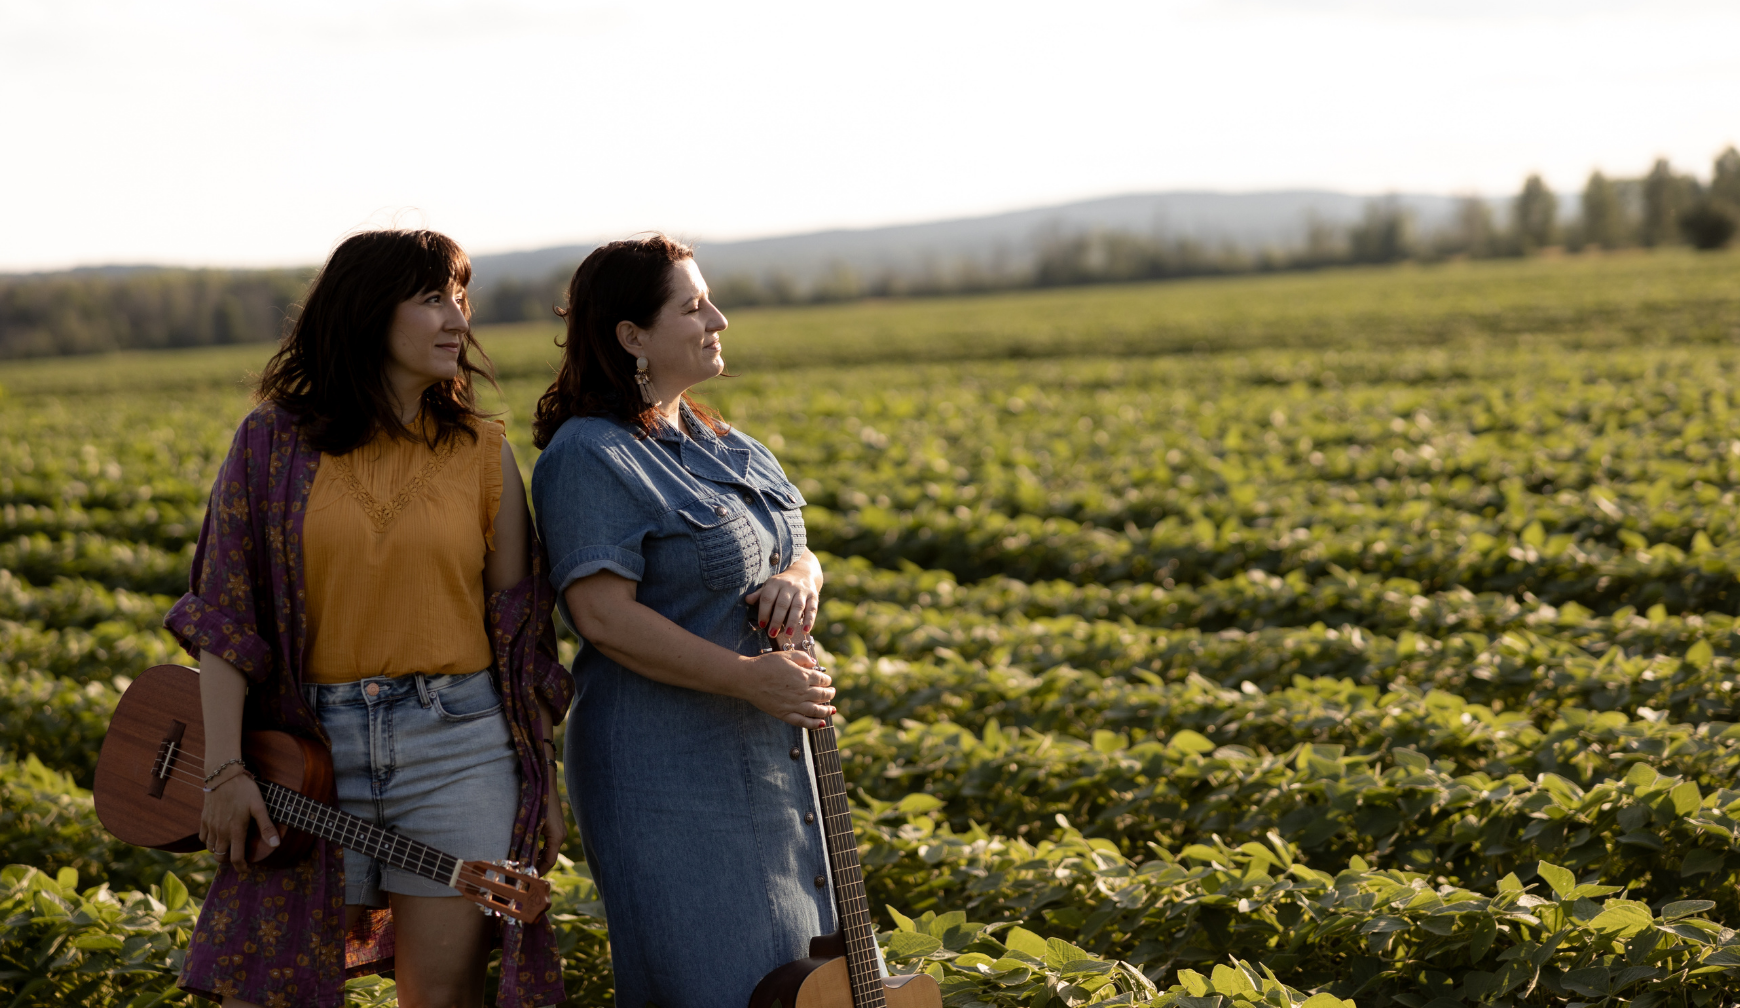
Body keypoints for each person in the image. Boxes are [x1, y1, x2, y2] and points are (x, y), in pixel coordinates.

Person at [164, 229, 571, 1008]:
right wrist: (225, 769)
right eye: (431, 299)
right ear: (364, 313)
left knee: (442, 999)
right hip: (307, 756)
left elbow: (522, 642)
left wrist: (540, 779)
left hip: (461, 753)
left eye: (461, 296)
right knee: (275, 991)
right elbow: (225, 619)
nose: (459, 319)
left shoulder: (485, 453)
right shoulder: (268, 446)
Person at [529, 234, 837, 1007]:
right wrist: (749, 678)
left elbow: (797, 548)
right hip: (667, 773)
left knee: (801, 986)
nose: (719, 319)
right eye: (693, 306)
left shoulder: (726, 442)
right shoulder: (589, 455)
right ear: (632, 337)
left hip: (775, 762)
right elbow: (601, 616)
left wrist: (802, 577)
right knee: (718, 984)